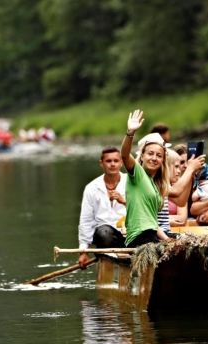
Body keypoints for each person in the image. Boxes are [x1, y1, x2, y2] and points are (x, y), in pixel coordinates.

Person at [120, 110, 173, 247]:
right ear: (142, 156)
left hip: (151, 236)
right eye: (150, 154)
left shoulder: (155, 184)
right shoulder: (137, 173)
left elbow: (153, 223)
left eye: (159, 155)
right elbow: (125, 155)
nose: (154, 158)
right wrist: (130, 133)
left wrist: (169, 241)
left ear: (163, 160)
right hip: (139, 239)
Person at [77, 146, 128, 269]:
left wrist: (123, 201)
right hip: (105, 238)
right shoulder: (91, 188)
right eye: (108, 161)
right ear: (101, 163)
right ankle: (110, 263)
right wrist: (84, 251)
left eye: (116, 161)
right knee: (104, 231)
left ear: (121, 162)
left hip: (129, 234)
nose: (112, 164)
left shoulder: (131, 183)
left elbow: (142, 208)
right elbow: (86, 221)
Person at [166, 149, 188, 227]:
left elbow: (182, 219)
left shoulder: (176, 186)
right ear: (166, 166)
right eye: (176, 167)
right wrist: (168, 220)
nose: (179, 171)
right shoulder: (155, 185)